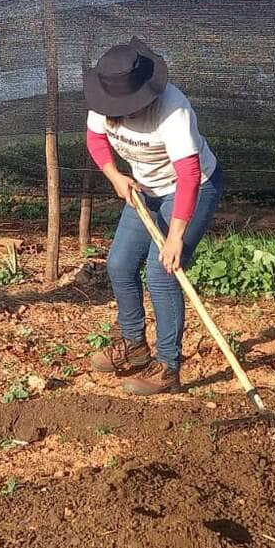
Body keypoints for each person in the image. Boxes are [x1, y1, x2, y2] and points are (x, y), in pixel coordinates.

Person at [82, 37, 224, 394]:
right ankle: (135, 347)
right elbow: (95, 140)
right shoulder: (103, 101)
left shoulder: (173, 109)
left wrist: (175, 236)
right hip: (144, 189)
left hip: (191, 188)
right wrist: (115, 176)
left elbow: (190, 176)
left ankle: (168, 368)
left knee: (162, 274)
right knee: (118, 265)